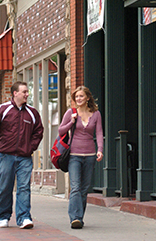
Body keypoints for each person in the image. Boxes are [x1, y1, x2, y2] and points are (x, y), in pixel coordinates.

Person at [0, 81, 44, 229]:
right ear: (15, 93)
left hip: (24, 157)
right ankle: (4, 216)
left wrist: (31, 147)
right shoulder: (4, 109)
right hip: (6, 155)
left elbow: (39, 132)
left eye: (27, 92)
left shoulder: (32, 113)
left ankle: (24, 218)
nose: (27, 94)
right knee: (5, 187)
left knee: (24, 187)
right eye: (24, 92)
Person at [58, 85, 103, 229]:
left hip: (90, 155)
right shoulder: (71, 113)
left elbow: (99, 133)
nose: (78, 99)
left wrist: (100, 150)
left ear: (87, 98)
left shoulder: (95, 114)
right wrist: (71, 121)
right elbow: (60, 131)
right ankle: (75, 218)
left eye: (81, 96)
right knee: (76, 187)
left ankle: (79, 218)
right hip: (74, 156)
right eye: (76, 96)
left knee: (84, 189)